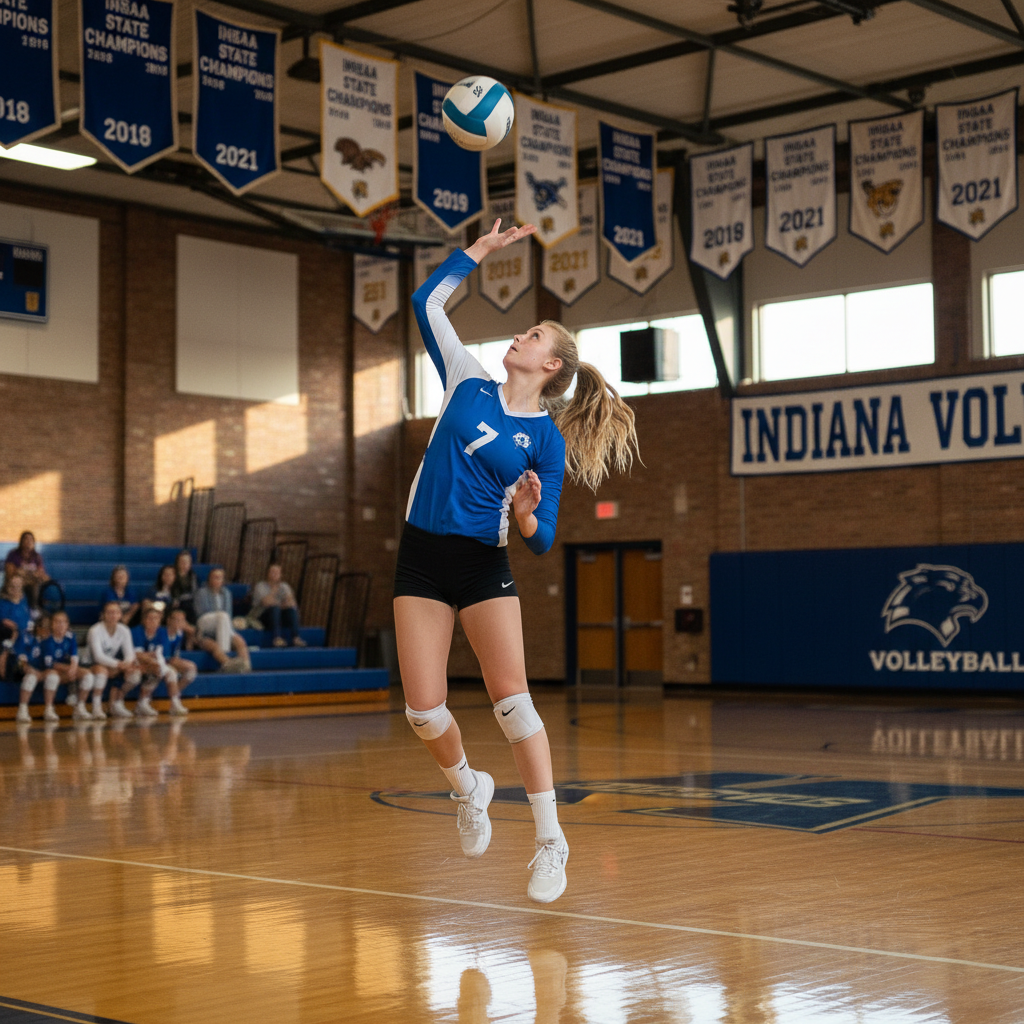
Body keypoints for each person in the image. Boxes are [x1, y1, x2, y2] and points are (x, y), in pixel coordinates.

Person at [398, 220, 639, 904]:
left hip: (481, 564)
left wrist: (530, 512)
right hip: (420, 554)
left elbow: (541, 539)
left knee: (513, 704)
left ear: (551, 366)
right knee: (423, 711)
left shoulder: (545, 443)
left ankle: (550, 842)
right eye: (524, 331)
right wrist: (478, 252)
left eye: (533, 336)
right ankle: (468, 787)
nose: (519, 337)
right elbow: (427, 305)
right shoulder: (465, 380)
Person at [86, 602, 142, 719]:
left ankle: (117, 703)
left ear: (120, 615)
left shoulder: (124, 630)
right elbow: (98, 656)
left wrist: (126, 664)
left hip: (114, 664)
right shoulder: (95, 630)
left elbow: (129, 654)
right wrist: (119, 665)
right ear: (103, 615)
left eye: (116, 612)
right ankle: (96, 707)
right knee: (102, 672)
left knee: (134, 674)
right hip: (90, 663)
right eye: (109, 612)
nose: (113, 615)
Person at [131, 606, 187, 718]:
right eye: (150, 618)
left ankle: (175, 703)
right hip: (134, 663)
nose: (153, 621)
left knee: (170, 672)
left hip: (152, 662)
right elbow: (137, 655)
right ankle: (142, 703)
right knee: (156, 669)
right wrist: (152, 660)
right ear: (144, 620)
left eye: (156, 618)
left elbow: (160, 654)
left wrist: (157, 663)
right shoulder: (136, 631)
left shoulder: (162, 632)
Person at [194, 568, 251, 671]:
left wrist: (231, 633)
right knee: (222, 616)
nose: (217, 580)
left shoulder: (227, 593)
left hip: (223, 624)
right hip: (205, 622)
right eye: (215, 577)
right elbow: (201, 612)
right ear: (209, 579)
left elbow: (228, 614)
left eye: (219, 578)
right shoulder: (202, 592)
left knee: (240, 641)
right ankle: (225, 654)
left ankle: (246, 667)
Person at [42, 610, 93, 720]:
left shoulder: (70, 637)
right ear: (52, 624)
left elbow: (74, 655)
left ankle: (80, 707)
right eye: (57, 622)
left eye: (63, 622)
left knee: (88, 675)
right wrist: (69, 669)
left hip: (66, 668)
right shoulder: (47, 640)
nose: (60, 625)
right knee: (52, 677)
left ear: (67, 624)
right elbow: (50, 663)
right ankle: (49, 709)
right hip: (49, 670)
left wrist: (73, 668)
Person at [249, 563, 304, 647]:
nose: (275, 574)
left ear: (281, 575)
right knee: (274, 609)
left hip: (279, 615)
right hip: (262, 616)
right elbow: (267, 603)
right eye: (272, 572)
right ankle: (277, 638)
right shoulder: (260, 586)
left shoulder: (284, 586)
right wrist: (274, 590)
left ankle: (296, 638)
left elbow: (292, 603)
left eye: (277, 572)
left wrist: (279, 605)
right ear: (268, 573)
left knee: (292, 610)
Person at [13, 615, 49, 723]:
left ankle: (49, 709)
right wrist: (30, 670)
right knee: (31, 677)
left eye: (49, 628)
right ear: (38, 628)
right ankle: (22, 710)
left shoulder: (49, 641)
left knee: (53, 676)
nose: (48, 631)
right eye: (45, 628)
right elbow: (20, 661)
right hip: (20, 671)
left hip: (41, 671)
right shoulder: (26, 638)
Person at [163, 608, 197, 715]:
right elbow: (165, 657)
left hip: (170, 660)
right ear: (169, 620)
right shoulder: (162, 633)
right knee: (174, 672)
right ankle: (175, 702)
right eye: (177, 620)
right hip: (159, 661)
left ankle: (175, 696)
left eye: (182, 620)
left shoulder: (179, 634)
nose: (180, 623)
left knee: (191, 670)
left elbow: (177, 652)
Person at [4, 531, 50, 609]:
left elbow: (41, 573)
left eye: (31, 539)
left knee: (35, 585)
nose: (28, 541)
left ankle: (33, 609)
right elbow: (10, 573)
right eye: (26, 539)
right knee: (18, 583)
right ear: (21, 541)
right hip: (16, 582)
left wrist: (30, 574)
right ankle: (17, 608)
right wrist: (23, 573)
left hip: (31, 583)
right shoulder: (13, 554)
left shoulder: (37, 556)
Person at [0, 573, 32, 646]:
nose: (15, 588)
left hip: (27, 633)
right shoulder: (3, 602)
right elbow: (4, 620)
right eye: (12, 586)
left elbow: (28, 615)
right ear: (7, 586)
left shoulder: (24, 599)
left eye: (18, 586)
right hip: (11, 634)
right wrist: (17, 628)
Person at [171, 550, 199, 624]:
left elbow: (194, 592)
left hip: (188, 603)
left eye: (187, 562)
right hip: (174, 603)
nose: (185, 564)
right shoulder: (172, 574)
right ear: (177, 562)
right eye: (182, 562)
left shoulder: (192, 576)